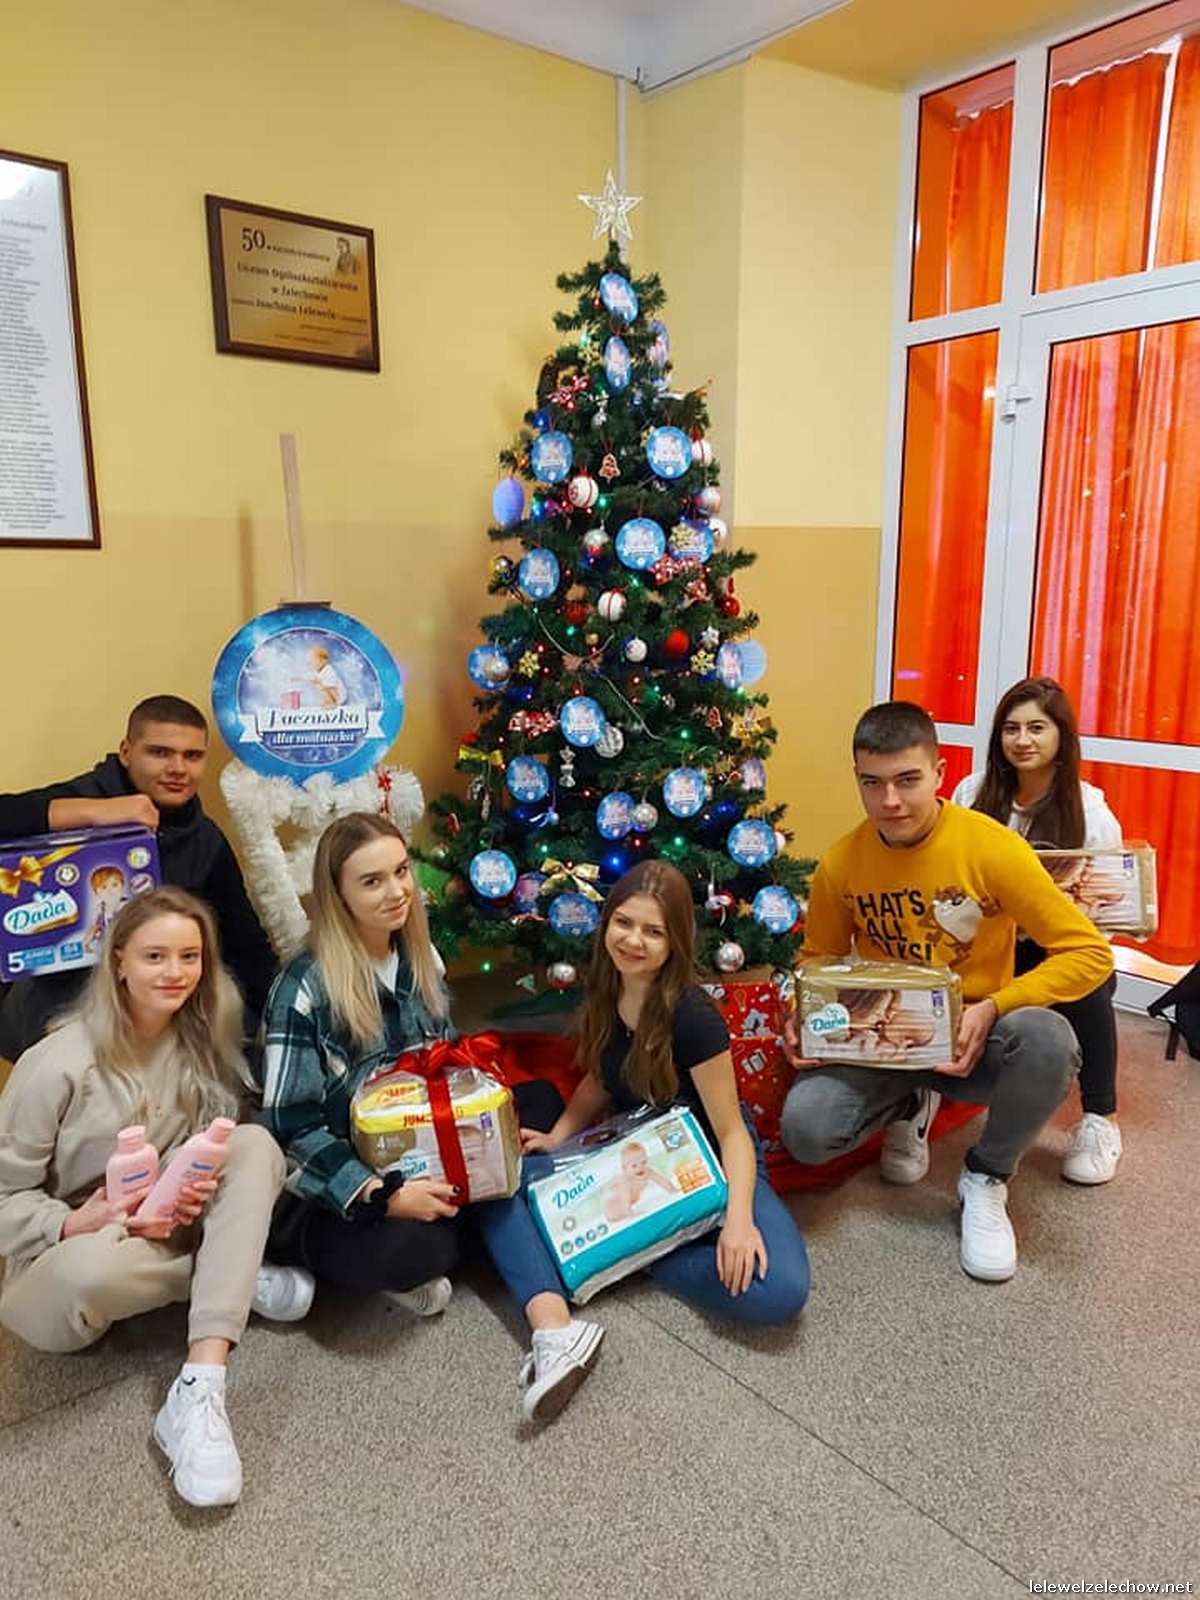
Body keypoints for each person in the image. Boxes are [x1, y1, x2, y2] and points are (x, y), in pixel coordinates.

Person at [779, 701, 1113, 1283]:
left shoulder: (991, 847)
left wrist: (996, 1006)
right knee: (807, 1131)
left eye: (907, 780)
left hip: (973, 1039)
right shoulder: (842, 863)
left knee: (1047, 1040)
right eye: (872, 783)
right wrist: (799, 1014)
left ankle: (986, 1176)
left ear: (939, 773)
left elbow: (1089, 953)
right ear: (857, 778)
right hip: (885, 1042)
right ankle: (911, 1104)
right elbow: (818, 960)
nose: (890, 801)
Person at [0, 888, 312, 1509]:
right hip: (62, 1269)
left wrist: (195, 1193)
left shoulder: (204, 1040)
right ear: (117, 960)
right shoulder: (55, 1064)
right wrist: (68, 1223)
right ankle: (229, 1274)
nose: (175, 973)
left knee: (252, 1144)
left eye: (190, 957)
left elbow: (214, 1156)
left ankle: (200, 1383)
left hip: (161, 1230)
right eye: (155, 956)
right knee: (88, 1271)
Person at [473, 860, 810, 1424]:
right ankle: (562, 1322)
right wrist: (558, 1136)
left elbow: (732, 1131)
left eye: (653, 931)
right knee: (499, 1186)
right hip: (632, 1149)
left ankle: (634, 1255)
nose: (633, 941)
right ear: (606, 922)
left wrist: (738, 1221)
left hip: (708, 1155)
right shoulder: (606, 986)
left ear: (675, 942)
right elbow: (601, 1076)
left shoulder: (693, 1016)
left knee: (780, 1291)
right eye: (624, 923)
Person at [256, 812, 464, 1318]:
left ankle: (442, 1237)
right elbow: (290, 1127)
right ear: (339, 896)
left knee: (535, 1108)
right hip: (344, 1180)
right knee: (409, 1251)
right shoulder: (303, 988)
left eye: (401, 871)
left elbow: (448, 1060)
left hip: (416, 1148)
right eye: (372, 881)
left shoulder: (421, 957)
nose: (397, 892)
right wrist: (383, 1197)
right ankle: (314, 1250)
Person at [0, 695, 277, 1058]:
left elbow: (244, 943)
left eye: (193, 756)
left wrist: (280, 1018)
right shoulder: (86, 796)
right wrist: (95, 813)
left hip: (158, 999)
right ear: (127, 752)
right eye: (160, 753)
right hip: (57, 995)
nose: (178, 768)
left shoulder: (204, 838)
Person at [951, 677, 1125, 1185]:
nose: (1022, 740)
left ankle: (1101, 1119)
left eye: (1036, 728)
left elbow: (1104, 913)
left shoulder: (1091, 812)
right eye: (1011, 729)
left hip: (1049, 948)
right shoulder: (972, 793)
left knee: (1089, 981)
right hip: (983, 942)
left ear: (1061, 736)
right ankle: (916, 1101)